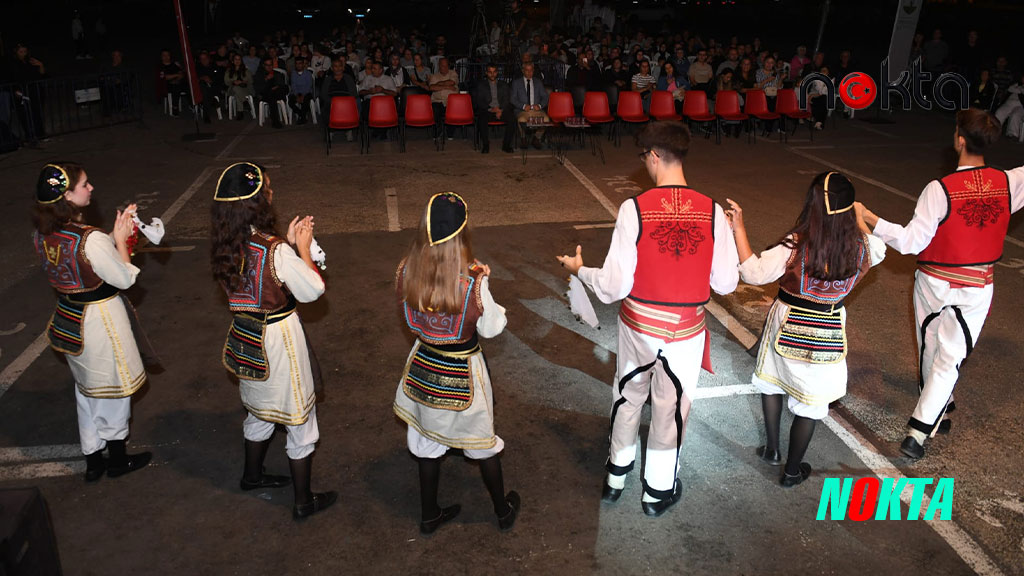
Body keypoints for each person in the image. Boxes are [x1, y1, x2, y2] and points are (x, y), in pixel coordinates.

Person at [556, 122, 739, 516]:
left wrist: (580, 269)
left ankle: (616, 476)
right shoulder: (712, 212)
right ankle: (656, 491)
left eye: (644, 157)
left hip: (638, 324)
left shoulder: (633, 208)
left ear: (654, 155)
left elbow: (613, 286)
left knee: (627, 395)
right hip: (685, 330)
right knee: (670, 407)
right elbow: (725, 283)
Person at [857, 109, 1024, 459]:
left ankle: (918, 431)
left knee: (932, 350)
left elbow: (911, 242)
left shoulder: (940, 189)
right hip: (977, 285)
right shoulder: (1009, 182)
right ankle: (940, 409)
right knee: (949, 357)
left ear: (960, 140)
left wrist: (872, 219)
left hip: (934, 282)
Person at [725, 173, 885, 487]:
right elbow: (879, 248)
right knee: (811, 404)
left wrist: (739, 227)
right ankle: (791, 471)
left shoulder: (796, 244)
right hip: (828, 326)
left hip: (787, 319)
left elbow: (754, 273)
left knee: (772, 381)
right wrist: (860, 219)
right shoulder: (864, 247)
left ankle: (772, 449)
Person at [210, 162, 337, 520]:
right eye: (267, 189)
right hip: (278, 338)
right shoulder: (273, 249)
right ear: (255, 201)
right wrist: (304, 248)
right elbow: (312, 290)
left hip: (245, 334)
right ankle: (303, 501)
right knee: (300, 419)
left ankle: (252, 475)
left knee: (259, 409)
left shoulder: (225, 242)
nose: (272, 193)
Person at [393, 192, 519, 534]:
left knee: (427, 443)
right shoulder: (473, 283)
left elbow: (413, 316)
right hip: (463, 370)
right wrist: (485, 284)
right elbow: (492, 327)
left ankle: (429, 513)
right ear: (462, 233)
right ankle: (502, 509)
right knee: (481, 442)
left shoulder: (407, 270)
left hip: (423, 363)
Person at [32, 162, 153, 482]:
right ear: (67, 196)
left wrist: (115, 235)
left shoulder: (42, 234)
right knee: (114, 388)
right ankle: (116, 460)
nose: (91, 188)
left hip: (69, 317)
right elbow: (123, 277)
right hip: (100, 321)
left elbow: (87, 259)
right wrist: (123, 244)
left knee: (86, 389)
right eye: (84, 185)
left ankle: (93, 460)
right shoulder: (90, 238)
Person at [472, 64, 514, 154]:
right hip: (488, 110)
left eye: (494, 72)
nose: (492, 74)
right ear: (486, 73)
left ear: (497, 72)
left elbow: (507, 99)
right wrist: (491, 109)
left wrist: (500, 109)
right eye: (490, 72)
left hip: (501, 109)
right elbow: (479, 101)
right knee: (482, 119)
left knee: (512, 119)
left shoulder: (503, 85)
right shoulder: (481, 85)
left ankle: (506, 145)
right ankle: (486, 145)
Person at [510, 62, 550, 149]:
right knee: (521, 120)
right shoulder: (516, 83)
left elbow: (545, 97)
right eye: (527, 70)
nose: (529, 72)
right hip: (522, 111)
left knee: (546, 120)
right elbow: (512, 99)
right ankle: (523, 138)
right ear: (523, 71)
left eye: (531, 70)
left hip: (537, 110)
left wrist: (539, 105)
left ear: (533, 71)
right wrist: (523, 106)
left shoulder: (538, 82)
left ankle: (536, 138)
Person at [254, 57, 288, 128]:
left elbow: (282, 85)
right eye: (267, 65)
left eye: (270, 65)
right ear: (263, 65)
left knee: (281, 89)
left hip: (276, 93)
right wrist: (266, 79)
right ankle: (275, 121)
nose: (269, 67)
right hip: (265, 95)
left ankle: (275, 121)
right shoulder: (259, 74)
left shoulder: (277, 73)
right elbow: (258, 89)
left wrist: (275, 87)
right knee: (271, 95)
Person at [224, 53, 254, 120]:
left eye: (239, 59)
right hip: (232, 89)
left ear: (241, 61)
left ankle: (240, 112)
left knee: (237, 92)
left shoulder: (246, 70)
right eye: (235, 59)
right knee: (235, 88)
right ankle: (245, 102)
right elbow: (226, 82)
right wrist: (233, 82)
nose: (237, 61)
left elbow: (251, 81)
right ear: (232, 61)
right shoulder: (229, 71)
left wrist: (242, 81)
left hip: (244, 89)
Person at [994, 73, 1024, 139]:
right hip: (1009, 103)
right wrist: (1020, 90)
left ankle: (1012, 134)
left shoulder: (1017, 86)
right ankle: (995, 131)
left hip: (1020, 105)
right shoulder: (1017, 84)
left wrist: (1019, 90)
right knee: (1000, 112)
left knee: (1015, 115)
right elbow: (1010, 88)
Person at [289, 57, 314, 124]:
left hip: (306, 92)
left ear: (303, 64)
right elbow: (293, 85)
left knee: (305, 101)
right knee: (290, 102)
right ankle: (301, 114)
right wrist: (297, 95)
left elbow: (308, 86)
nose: (298, 65)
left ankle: (302, 118)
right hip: (296, 92)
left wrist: (303, 95)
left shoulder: (308, 73)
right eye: (296, 64)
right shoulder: (293, 73)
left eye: (300, 63)